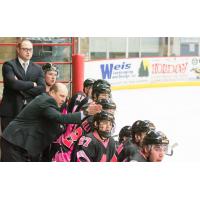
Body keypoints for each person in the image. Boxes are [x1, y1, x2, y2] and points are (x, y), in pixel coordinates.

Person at [0, 83, 102, 162]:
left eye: (66, 97)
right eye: (61, 96)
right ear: (52, 92)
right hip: (15, 142)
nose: (64, 100)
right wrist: (85, 112)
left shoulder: (49, 103)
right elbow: (59, 118)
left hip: (20, 144)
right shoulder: (46, 100)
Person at [0, 39, 45, 132]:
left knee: (26, 144)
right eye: (25, 49)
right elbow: (13, 84)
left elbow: (41, 88)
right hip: (11, 111)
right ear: (18, 49)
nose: (28, 52)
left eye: (30, 49)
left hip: (30, 112)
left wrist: (19, 86)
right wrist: (32, 84)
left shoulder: (38, 69)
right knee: (8, 143)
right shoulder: (9, 65)